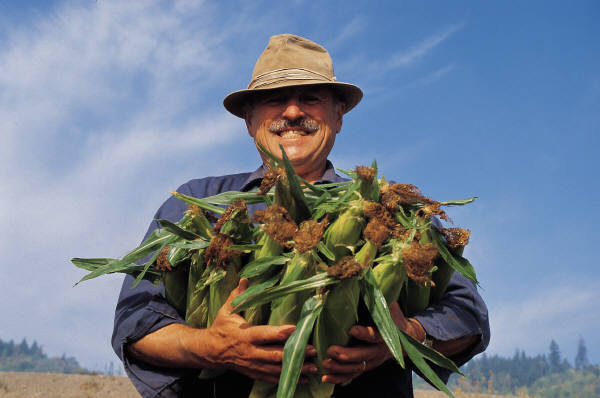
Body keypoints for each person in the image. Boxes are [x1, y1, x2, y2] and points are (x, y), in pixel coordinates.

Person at [112, 34, 490, 398]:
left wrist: (405, 336)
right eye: (275, 99)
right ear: (249, 119)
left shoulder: (395, 212)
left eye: (311, 98)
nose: (293, 112)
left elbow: (468, 318)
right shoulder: (196, 203)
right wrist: (210, 346)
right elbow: (136, 323)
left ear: (338, 116)